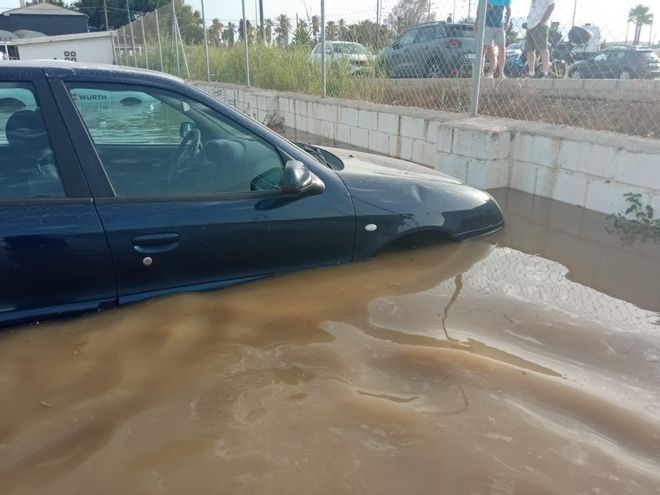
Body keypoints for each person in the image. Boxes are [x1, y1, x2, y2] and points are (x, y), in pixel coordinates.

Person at [482, 0, 512, 79]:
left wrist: (507, 22)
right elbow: (480, 9)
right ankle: (480, 73)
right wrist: (486, 8)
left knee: (502, 49)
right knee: (484, 50)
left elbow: (508, 10)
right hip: (487, 25)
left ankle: (501, 73)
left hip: (499, 26)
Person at [525, 0, 555, 78]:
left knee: (543, 48)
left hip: (540, 24)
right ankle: (531, 73)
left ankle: (545, 73)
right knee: (530, 50)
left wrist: (543, 21)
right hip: (530, 24)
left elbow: (552, 6)